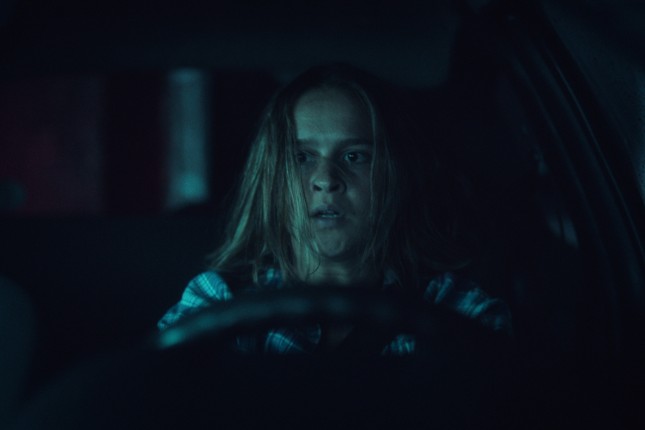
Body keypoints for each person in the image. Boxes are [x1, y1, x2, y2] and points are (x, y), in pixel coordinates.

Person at [158, 63, 511, 354]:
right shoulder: (218, 304)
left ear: (395, 177)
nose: (326, 180)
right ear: (271, 181)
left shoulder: (457, 311)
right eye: (302, 157)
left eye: (355, 156)